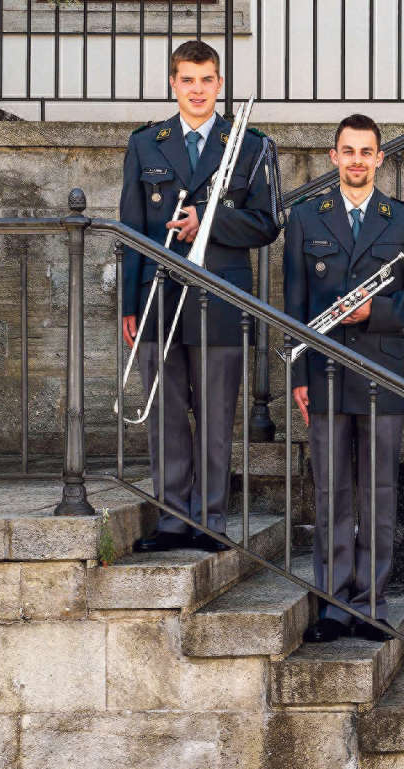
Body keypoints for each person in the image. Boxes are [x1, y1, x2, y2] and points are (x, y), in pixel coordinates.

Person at [119, 39, 282, 553]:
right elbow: (131, 227)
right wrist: (128, 302)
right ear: (174, 83)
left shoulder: (250, 144)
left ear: (219, 84)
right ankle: (171, 517)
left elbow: (268, 223)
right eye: (187, 79)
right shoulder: (147, 143)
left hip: (222, 294)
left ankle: (210, 518)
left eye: (206, 79)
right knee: (165, 409)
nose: (196, 89)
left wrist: (208, 224)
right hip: (158, 293)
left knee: (215, 412)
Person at [285, 113, 404, 643]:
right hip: (325, 374)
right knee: (331, 494)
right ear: (334, 158)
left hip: (381, 377)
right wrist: (300, 375)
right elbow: (295, 306)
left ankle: (372, 602)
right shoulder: (306, 219)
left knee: (377, 495)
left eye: (366, 151)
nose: (356, 160)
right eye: (347, 151)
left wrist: (373, 312)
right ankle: (333, 603)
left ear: (380, 158)